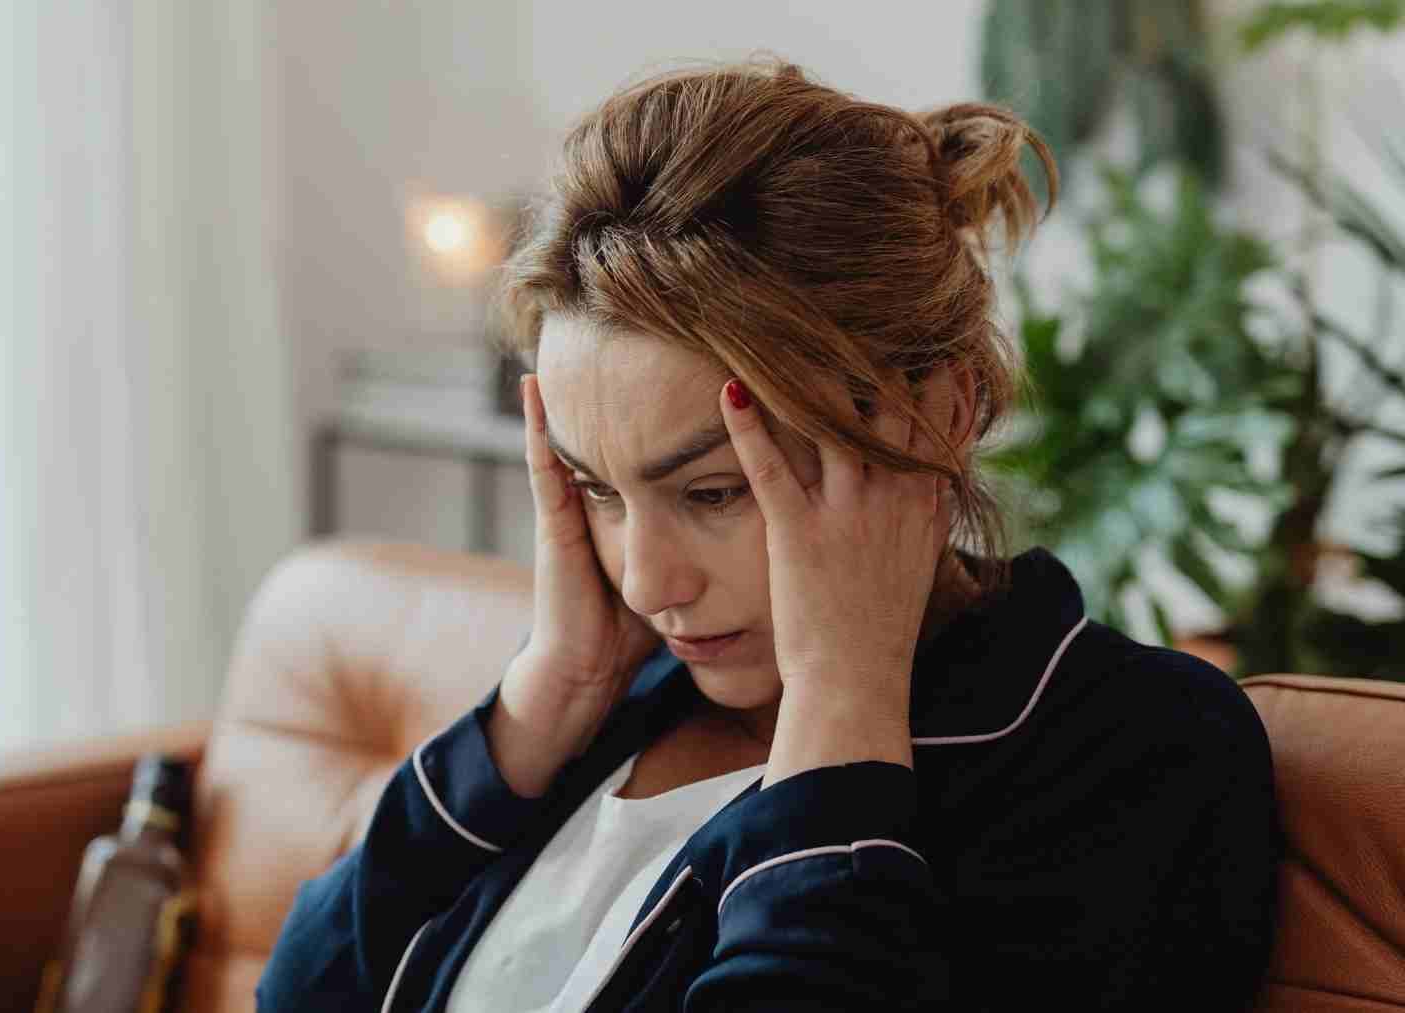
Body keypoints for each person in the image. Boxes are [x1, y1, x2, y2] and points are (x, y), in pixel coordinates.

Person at [256, 56, 1280, 1012]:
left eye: (711, 491)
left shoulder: (1130, 753)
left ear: (941, 413)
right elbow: (300, 993)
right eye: (597, 489)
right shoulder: (619, 705)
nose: (649, 582)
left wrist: (844, 705)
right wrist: (544, 697)